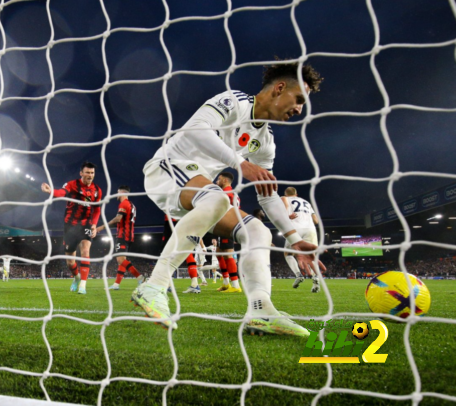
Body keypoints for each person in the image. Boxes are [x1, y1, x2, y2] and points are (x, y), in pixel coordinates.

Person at [131, 60, 325, 335]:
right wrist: (240, 163)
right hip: (166, 168)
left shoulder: (265, 141)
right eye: (298, 99)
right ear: (280, 88)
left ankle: (260, 309)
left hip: (199, 192)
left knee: (257, 231)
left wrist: (294, 239)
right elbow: (197, 128)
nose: (299, 110)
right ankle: (154, 286)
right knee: (219, 198)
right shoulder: (236, 101)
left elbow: (268, 196)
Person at [41, 162, 102, 294]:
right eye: (87, 172)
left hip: (86, 223)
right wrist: (51, 191)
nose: (90, 175)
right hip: (70, 225)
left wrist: (94, 224)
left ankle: (83, 286)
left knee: (86, 251)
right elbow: (62, 192)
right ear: (81, 173)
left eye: (92, 173)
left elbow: (97, 209)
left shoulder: (97, 190)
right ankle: (76, 278)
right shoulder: (72, 184)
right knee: (70, 262)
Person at [96, 185, 144, 290]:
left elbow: (118, 219)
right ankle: (116, 284)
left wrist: (101, 227)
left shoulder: (124, 203)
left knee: (120, 260)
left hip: (123, 235)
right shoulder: (132, 205)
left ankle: (140, 277)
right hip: (129, 236)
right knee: (122, 261)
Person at [282, 187, 321, 292]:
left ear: (285, 194)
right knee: (311, 256)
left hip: (295, 229)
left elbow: (283, 213)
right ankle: (316, 280)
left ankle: (298, 275)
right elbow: (316, 220)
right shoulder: (306, 202)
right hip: (310, 229)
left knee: (288, 254)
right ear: (296, 194)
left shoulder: (285, 199)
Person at [214, 172, 242, 293]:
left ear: (225, 180)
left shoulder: (227, 194)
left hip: (228, 226)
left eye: (218, 179)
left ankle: (235, 285)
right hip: (223, 226)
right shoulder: (231, 193)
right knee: (219, 253)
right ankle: (226, 283)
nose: (216, 182)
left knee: (228, 254)